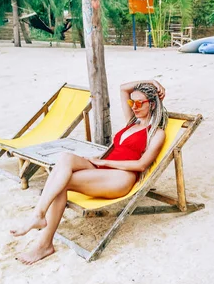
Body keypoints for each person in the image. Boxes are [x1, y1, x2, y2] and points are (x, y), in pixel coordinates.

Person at [10, 79, 168, 265]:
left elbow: (141, 165)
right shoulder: (131, 123)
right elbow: (122, 87)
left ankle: (44, 242)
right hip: (103, 168)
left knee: (62, 181)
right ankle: (39, 217)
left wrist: (104, 161)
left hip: (120, 177)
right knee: (66, 158)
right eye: (131, 102)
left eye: (139, 103)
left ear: (153, 104)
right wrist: (151, 82)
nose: (134, 106)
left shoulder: (156, 133)